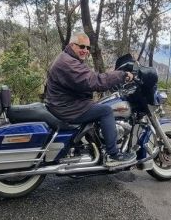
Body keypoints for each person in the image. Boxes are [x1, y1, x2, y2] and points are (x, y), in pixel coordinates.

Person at [45, 32, 136, 167]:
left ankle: (96, 144)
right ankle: (113, 155)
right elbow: (93, 81)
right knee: (105, 110)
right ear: (72, 45)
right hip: (67, 107)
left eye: (88, 48)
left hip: (64, 102)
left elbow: (86, 80)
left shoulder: (69, 58)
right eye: (82, 46)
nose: (85, 51)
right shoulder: (68, 62)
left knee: (98, 106)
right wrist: (121, 76)